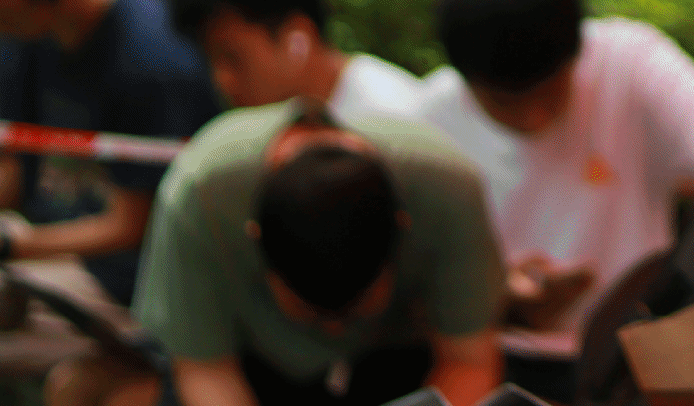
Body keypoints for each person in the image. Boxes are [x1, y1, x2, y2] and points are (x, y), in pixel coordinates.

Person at [417, 0, 694, 402]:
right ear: (465, 80)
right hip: (507, 359)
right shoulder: (430, 121)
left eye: (549, 94)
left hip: (642, 350)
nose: (533, 117)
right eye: (504, 104)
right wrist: (502, 296)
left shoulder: (629, 61)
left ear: (578, 53)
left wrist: (693, 277)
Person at [46, 101, 506, 406]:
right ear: (254, 239)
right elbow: (205, 370)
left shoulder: (447, 188)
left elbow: (468, 360)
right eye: (309, 312)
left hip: (396, 364)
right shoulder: (202, 194)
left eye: (354, 309)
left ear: (402, 231)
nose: (333, 329)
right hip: (255, 364)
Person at [0, 0, 219, 306]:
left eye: (7, 17)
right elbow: (13, 167)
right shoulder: (29, 31)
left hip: (130, 284)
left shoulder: (152, 59)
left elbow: (132, 225)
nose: (2, 28)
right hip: (47, 255)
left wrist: (14, 246)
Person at [171, 0, 423, 120]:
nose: (221, 81)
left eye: (233, 59)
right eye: (211, 61)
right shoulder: (286, 124)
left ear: (297, 38)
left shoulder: (386, 121)